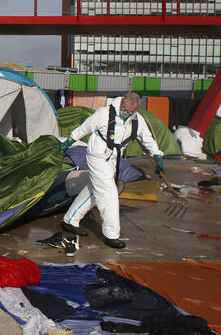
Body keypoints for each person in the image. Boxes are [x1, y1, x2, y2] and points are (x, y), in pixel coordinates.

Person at [58, 92, 163, 251]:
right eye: (124, 110)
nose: (126, 114)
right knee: (109, 193)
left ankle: (70, 220)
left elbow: (147, 139)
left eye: (130, 112)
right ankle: (111, 234)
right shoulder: (104, 113)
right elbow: (83, 128)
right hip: (97, 155)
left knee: (94, 189)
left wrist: (157, 156)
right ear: (121, 103)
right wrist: (68, 142)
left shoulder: (137, 120)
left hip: (113, 158)